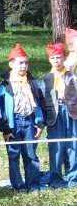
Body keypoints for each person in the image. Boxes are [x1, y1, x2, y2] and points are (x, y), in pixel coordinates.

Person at [0, 44, 45, 192]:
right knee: (13, 155)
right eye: (20, 63)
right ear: (11, 64)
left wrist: (39, 123)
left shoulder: (32, 82)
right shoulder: (5, 85)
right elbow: (1, 109)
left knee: (31, 154)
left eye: (26, 63)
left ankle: (33, 185)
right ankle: (18, 186)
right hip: (14, 124)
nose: (24, 66)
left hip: (29, 121)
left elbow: (39, 102)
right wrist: (5, 129)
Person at [41, 42, 72, 189]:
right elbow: (42, 98)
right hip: (54, 113)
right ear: (49, 60)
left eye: (58, 57)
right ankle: (56, 178)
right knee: (56, 145)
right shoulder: (47, 78)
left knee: (73, 144)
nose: (56, 61)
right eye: (53, 58)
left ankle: (73, 177)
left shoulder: (72, 75)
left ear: (64, 58)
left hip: (71, 111)